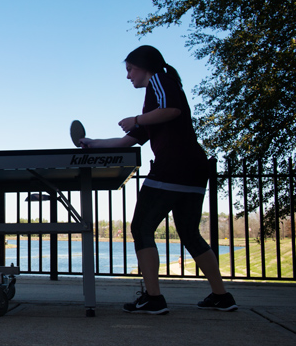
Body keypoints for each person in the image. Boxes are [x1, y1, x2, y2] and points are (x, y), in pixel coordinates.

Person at [80, 45, 237, 314]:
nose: (128, 76)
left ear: (144, 65)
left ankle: (153, 297)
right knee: (189, 232)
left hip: (173, 166)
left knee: (141, 228)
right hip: (194, 168)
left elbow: (172, 109)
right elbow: (128, 141)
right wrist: (93, 143)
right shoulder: (154, 103)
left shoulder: (160, 80)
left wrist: (137, 118)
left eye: (130, 69)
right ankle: (221, 295)